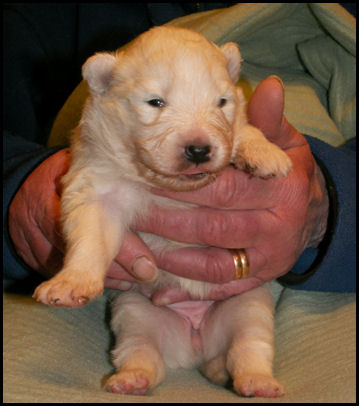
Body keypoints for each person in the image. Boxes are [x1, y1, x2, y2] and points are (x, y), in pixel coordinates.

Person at [4, 4, 356, 305]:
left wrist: (336, 201)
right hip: (136, 299)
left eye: (219, 102)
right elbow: (95, 205)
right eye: (155, 103)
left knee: (252, 324)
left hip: (296, 286)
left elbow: (240, 133)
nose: (199, 142)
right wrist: (15, 186)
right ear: (104, 85)